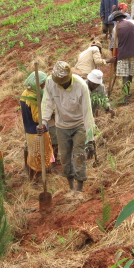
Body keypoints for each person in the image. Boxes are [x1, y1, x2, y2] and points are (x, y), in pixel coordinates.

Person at [39, 62, 94, 192]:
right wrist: (43, 122)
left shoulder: (81, 86)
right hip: (61, 125)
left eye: (63, 83)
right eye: (59, 83)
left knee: (79, 154)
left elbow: (88, 113)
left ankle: (79, 187)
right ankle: (70, 186)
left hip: (78, 124)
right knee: (65, 157)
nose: (61, 86)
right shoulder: (50, 83)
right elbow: (47, 103)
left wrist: (91, 139)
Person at [19, 71, 53, 181]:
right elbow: (37, 118)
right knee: (38, 156)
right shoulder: (34, 97)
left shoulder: (25, 93)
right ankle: (36, 179)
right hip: (37, 132)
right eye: (42, 84)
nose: (44, 86)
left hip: (28, 130)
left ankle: (31, 176)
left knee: (31, 153)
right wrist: (50, 112)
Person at [107, 11, 134, 103]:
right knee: (130, 74)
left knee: (125, 75)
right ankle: (127, 92)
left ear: (116, 19)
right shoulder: (132, 24)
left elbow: (115, 44)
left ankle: (126, 96)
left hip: (123, 54)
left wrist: (115, 56)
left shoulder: (116, 28)